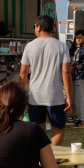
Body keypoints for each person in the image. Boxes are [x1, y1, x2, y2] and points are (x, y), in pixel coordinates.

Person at [19, 15, 72, 146]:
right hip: (55, 95)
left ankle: (43, 157)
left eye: (34, 27)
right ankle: (50, 156)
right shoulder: (61, 46)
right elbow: (66, 72)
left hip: (35, 96)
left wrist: (20, 93)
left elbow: (23, 72)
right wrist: (69, 96)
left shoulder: (29, 46)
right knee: (58, 130)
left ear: (39, 27)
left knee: (38, 130)